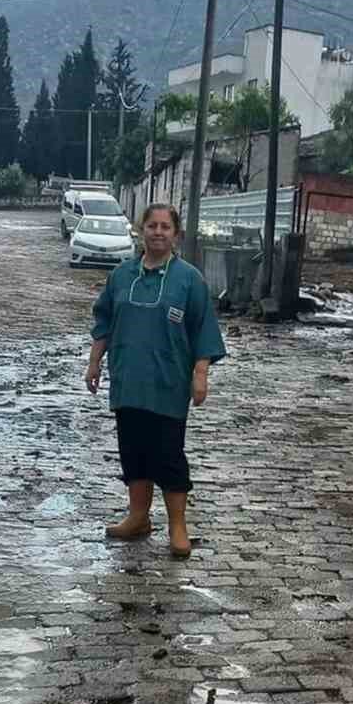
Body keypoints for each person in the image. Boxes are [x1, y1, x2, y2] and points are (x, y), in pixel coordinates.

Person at [85, 203, 226, 559]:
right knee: (133, 451)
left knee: (168, 455)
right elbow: (104, 322)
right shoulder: (121, 276)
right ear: (141, 230)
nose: (158, 232)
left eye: (165, 226)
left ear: (175, 234)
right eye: (152, 226)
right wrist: (94, 363)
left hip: (168, 384)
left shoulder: (189, 279)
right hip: (128, 380)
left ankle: (177, 525)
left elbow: (203, 329)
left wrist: (201, 373)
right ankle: (138, 517)